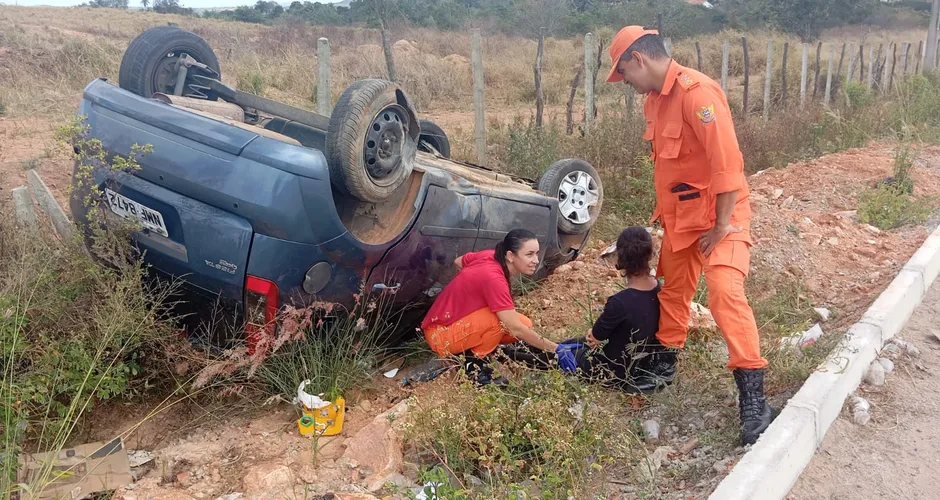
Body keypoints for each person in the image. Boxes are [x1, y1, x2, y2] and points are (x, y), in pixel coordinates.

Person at [605, 26, 774, 445]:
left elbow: (727, 165)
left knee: (723, 291)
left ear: (640, 60)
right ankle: (666, 361)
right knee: (673, 291)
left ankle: (753, 393)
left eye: (624, 71)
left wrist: (720, 226)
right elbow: (668, 166)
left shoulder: (698, 95)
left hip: (724, 214)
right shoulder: (653, 102)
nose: (624, 81)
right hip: (682, 218)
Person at [499, 226, 663, 393]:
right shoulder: (659, 289)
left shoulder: (620, 302)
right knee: (568, 345)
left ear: (620, 256)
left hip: (608, 369)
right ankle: (522, 349)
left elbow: (595, 338)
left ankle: (508, 356)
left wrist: (593, 336)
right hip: (636, 364)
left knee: (557, 355)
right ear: (650, 255)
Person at [420, 229, 579, 386]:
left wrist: (472, 294)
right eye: (529, 254)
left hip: (453, 324)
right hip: (440, 335)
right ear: (510, 256)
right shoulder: (494, 278)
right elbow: (514, 328)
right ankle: (472, 363)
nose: (536, 260)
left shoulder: (490, 256)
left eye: (536, 253)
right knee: (500, 321)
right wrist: (556, 348)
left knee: (525, 324)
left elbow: (459, 261)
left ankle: (481, 345)